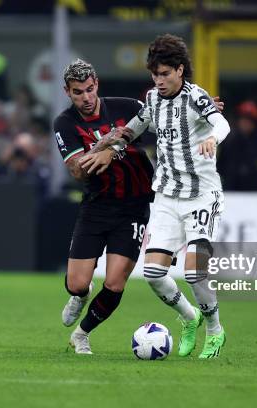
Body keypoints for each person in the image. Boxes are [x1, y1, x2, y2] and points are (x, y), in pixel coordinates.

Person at [83, 34, 230, 358]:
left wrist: (213, 140)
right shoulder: (152, 100)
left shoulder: (196, 97)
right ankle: (189, 319)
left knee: (194, 272)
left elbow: (222, 124)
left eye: (165, 74)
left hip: (202, 195)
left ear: (180, 70)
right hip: (166, 196)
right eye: (155, 74)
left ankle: (215, 330)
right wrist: (113, 142)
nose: (159, 80)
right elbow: (133, 130)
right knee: (152, 273)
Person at [53, 59, 155, 355]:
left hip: (134, 206)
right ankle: (79, 296)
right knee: (76, 283)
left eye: (89, 89)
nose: (85, 98)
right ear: (67, 92)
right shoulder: (65, 123)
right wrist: (105, 144)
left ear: (96, 83)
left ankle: (82, 334)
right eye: (77, 92)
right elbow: (77, 171)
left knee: (114, 283)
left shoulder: (127, 107)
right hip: (97, 206)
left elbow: (164, 119)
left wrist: (199, 113)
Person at [217, 100, 257, 191]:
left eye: (249, 120)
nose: (246, 123)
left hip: (254, 193)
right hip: (232, 191)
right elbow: (220, 166)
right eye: (243, 119)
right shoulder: (229, 140)